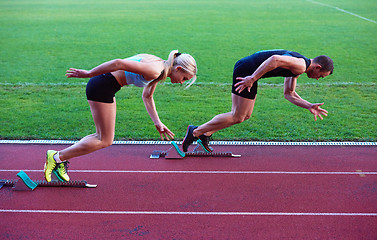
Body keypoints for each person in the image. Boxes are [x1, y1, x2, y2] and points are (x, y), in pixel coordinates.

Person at [44, 50, 197, 182]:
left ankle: (59, 158)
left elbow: (147, 96)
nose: (181, 83)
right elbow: (119, 63)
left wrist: (157, 122)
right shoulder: (155, 70)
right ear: (178, 68)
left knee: (101, 137)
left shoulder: (160, 66)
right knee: (104, 139)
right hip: (102, 86)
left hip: (105, 86)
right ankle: (57, 157)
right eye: (184, 78)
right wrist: (89, 73)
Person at [182, 49, 333, 152]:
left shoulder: (299, 65)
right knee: (238, 115)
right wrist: (253, 78)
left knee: (244, 116)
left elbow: (289, 94)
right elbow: (275, 59)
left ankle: (206, 134)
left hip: (248, 68)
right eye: (321, 76)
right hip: (247, 70)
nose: (318, 79)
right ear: (318, 67)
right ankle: (195, 131)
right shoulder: (300, 65)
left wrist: (309, 106)